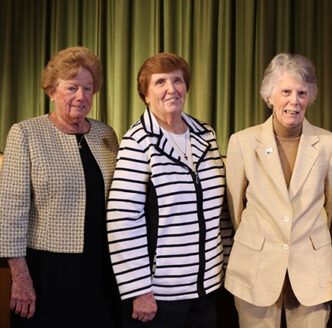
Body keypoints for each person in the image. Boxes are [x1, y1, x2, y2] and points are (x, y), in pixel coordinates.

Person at [106, 52, 233, 327]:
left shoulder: (206, 134)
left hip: (208, 287)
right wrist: (139, 290)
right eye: (160, 82)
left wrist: (228, 266)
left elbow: (221, 209)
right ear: (145, 94)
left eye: (177, 80)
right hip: (159, 294)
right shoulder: (138, 141)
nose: (171, 89)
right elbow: (122, 219)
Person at [0, 46, 121, 327]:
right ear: (52, 91)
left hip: (99, 268)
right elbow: (10, 212)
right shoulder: (26, 133)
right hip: (47, 271)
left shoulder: (106, 134)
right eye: (72, 88)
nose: (81, 96)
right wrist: (19, 278)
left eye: (88, 89)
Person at [224, 53, 332, 327]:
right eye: (286, 92)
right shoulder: (241, 142)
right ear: (270, 96)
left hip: (312, 273)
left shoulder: (330, 145)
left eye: (302, 92)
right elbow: (235, 211)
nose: (294, 101)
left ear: (310, 96)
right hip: (255, 270)